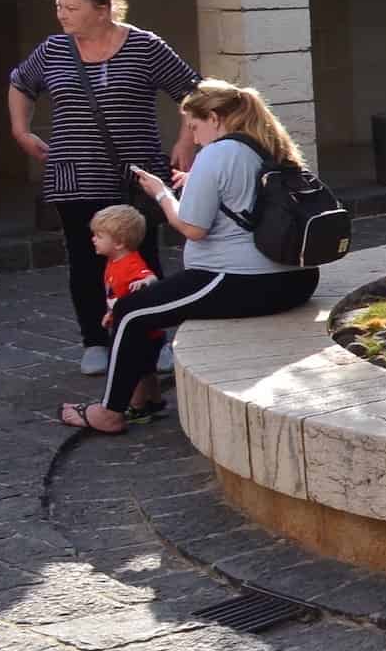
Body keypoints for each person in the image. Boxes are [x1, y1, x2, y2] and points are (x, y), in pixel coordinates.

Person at [59, 81, 321, 433]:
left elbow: (192, 227)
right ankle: (146, 399)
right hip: (295, 277)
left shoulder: (217, 153)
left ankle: (109, 411)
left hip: (241, 279)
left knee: (128, 311)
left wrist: (161, 192)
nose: (194, 139)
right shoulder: (266, 144)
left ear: (213, 118)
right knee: (146, 307)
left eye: (194, 127)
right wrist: (195, 183)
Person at [8, 0, 201, 377]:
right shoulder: (53, 50)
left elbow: (193, 91)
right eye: (60, 6)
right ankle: (95, 341)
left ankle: (152, 339)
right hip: (74, 175)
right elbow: (21, 83)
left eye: (72, 7)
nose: (62, 14)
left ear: (103, 8)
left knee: (142, 259)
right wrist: (21, 131)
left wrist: (186, 141)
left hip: (134, 176)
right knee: (85, 259)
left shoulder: (145, 46)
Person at [89, 203, 160, 338]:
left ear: (119, 243)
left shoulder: (131, 263)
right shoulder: (113, 260)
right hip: (122, 323)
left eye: (99, 236)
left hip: (138, 333)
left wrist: (145, 281)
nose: (93, 239)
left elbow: (152, 278)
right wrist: (111, 314)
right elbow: (116, 295)